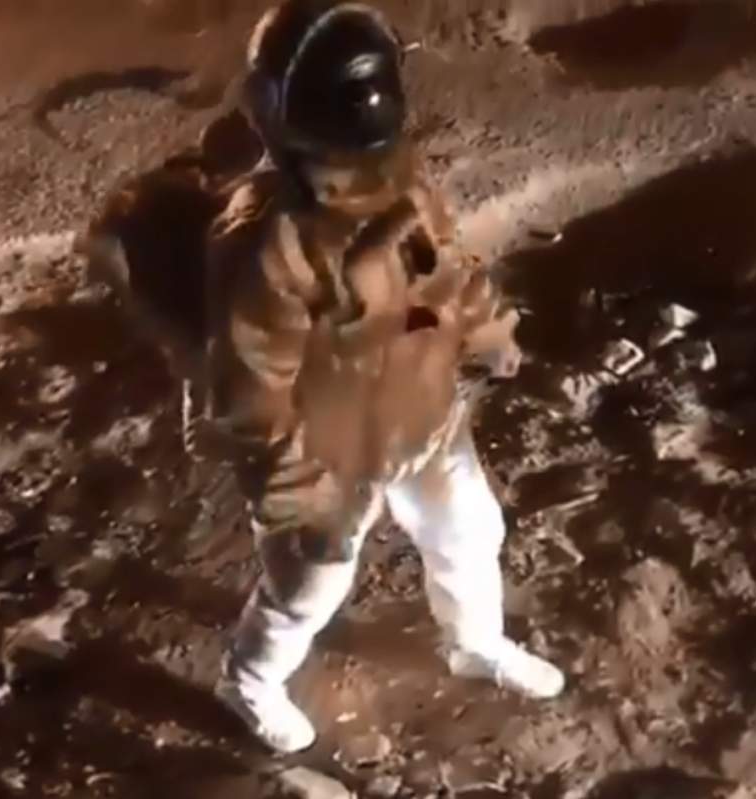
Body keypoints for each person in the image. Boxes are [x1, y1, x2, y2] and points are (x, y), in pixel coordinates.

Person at [81, 0, 564, 755]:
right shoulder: (267, 243)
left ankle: (476, 644)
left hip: (422, 412)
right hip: (329, 450)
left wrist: (487, 328)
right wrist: (292, 495)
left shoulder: (401, 186)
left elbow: (445, 269)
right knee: (308, 590)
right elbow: (250, 384)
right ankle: (252, 682)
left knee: (470, 533)